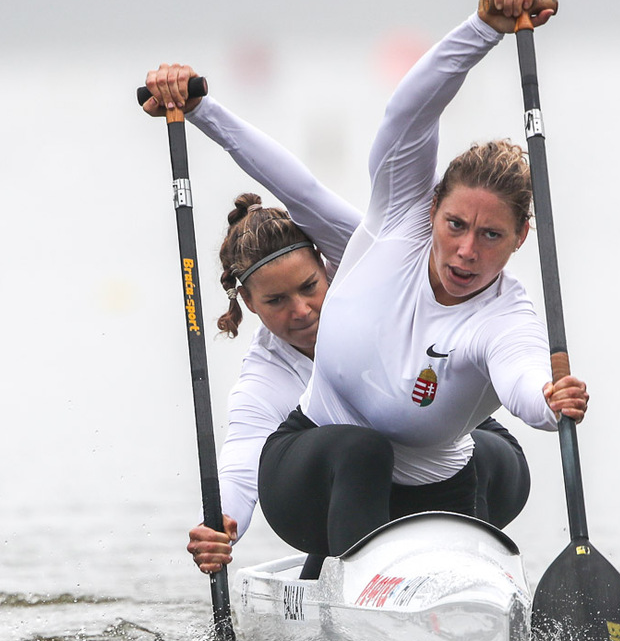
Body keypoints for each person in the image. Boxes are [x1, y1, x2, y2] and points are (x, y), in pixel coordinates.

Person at [141, 59, 532, 576]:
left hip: (436, 465)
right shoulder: (268, 374)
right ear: (250, 306)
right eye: (276, 303)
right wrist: (222, 522)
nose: (301, 311)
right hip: (344, 485)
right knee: (359, 452)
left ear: (330, 267)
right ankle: (357, 587)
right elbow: (240, 460)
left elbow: (296, 188)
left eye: (309, 288)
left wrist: (202, 111)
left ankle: (473, 580)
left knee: (485, 453)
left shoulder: (364, 257)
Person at [257, 0, 588, 576]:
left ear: (521, 238)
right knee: (364, 450)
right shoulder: (402, 218)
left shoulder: (505, 317)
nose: (465, 252)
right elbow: (408, 113)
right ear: (433, 210)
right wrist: (483, 29)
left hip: (435, 488)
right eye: (456, 225)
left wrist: (548, 399)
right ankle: (346, 583)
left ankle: (457, 586)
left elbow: (521, 375)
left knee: (492, 455)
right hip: (315, 475)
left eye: (491, 237)